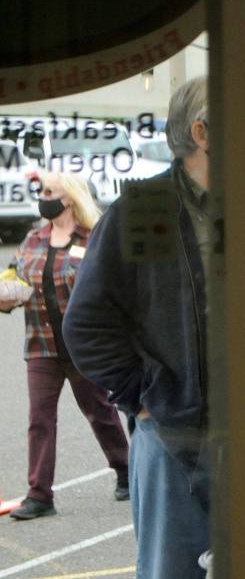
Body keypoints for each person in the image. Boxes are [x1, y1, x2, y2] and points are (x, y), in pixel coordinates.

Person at [63, 77, 212, 578]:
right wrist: (143, 396)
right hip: (174, 440)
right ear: (203, 132)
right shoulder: (144, 209)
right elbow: (86, 323)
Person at [0, 172, 129, 521]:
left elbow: (109, 287)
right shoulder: (33, 238)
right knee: (39, 419)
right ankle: (39, 495)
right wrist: (6, 293)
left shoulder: (92, 238)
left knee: (100, 411)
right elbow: (14, 275)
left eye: (49, 192)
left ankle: (125, 469)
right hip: (41, 345)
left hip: (82, 345)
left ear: (69, 198)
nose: (43, 197)